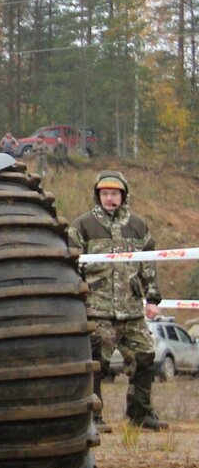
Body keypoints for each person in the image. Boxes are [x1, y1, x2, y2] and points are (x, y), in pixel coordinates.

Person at [68, 171, 167, 432]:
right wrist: (76, 298)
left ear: (123, 195)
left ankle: (140, 414)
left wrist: (153, 298)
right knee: (95, 364)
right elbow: (71, 265)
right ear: (97, 195)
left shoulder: (138, 225)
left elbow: (148, 265)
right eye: (104, 194)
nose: (109, 198)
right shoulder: (82, 225)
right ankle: (94, 417)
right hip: (97, 310)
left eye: (114, 194)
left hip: (132, 310)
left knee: (145, 357)